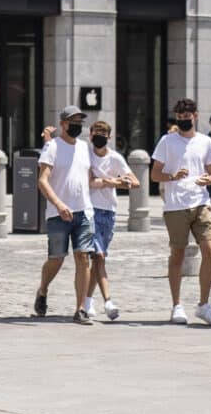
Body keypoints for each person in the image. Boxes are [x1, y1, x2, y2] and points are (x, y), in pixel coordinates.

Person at [152, 98, 211, 326]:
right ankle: (176, 305)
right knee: (178, 255)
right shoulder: (167, 141)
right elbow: (154, 174)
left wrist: (208, 179)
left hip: (201, 202)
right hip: (175, 205)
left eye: (187, 117)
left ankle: (204, 304)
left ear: (196, 116)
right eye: (180, 118)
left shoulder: (205, 142)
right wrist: (172, 177)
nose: (184, 121)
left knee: (210, 250)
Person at [34, 105, 97, 324]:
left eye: (80, 122)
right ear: (63, 124)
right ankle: (42, 290)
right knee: (56, 259)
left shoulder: (84, 147)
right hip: (58, 213)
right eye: (73, 121)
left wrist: (115, 180)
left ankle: (80, 309)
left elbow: (89, 177)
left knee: (83, 257)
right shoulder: (52, 147)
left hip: (84, 211)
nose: (77, 125)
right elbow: (42, 180)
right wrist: (59, 204)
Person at [85, 121, 137, 321]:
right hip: (90, 211)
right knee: (99, 257)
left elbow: (135, 181)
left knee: (99, 259)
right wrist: (109, 181)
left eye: (104, 133)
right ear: (90, 135)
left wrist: (124, 181)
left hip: (109, 212)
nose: (99, 136)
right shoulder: (86, 155)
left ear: (109, 137)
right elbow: (89, 181)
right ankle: (108, 301)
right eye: (96, 133)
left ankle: (88, 301)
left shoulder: (115, 158)